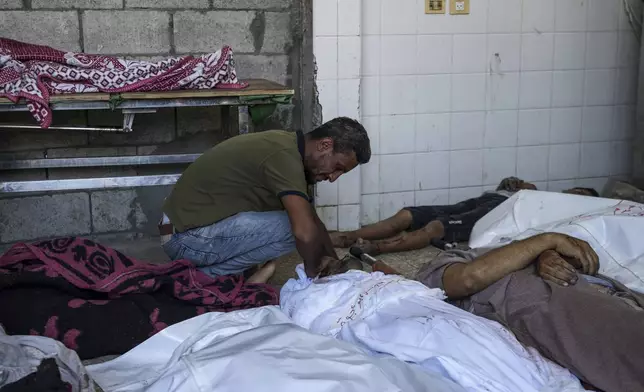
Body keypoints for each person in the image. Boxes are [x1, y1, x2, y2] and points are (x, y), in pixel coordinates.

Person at [415, 232, 644, 392]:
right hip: (578, 313)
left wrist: (546, 254)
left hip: (614, 296)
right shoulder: (445, 265)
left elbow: (585, 260)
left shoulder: (524, 251)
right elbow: (468, 279)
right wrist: (547, 241)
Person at [160, 117, 371, 279]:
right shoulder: (283, 157)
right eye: (337, 168)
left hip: (184, 232)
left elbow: (315, 222)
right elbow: (305, 230)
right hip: (186, 239)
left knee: (300, 221)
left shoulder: (289, 150)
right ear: (325, 145)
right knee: (293, 227)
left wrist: (334, 263)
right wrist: (318, 275)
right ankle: (208, 276)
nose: (333, 178)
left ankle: (205, 276)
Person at [330, 176, 599, 255]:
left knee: (436, 227)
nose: (574, 191)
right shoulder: (542, 194)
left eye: (581, 194)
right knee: (408, 215)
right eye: (576, 189)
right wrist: (513, 182)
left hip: (496, 214)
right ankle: (346, 238)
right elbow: (504, 185)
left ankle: (373, 248)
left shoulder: (560, 211)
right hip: (488, 200)